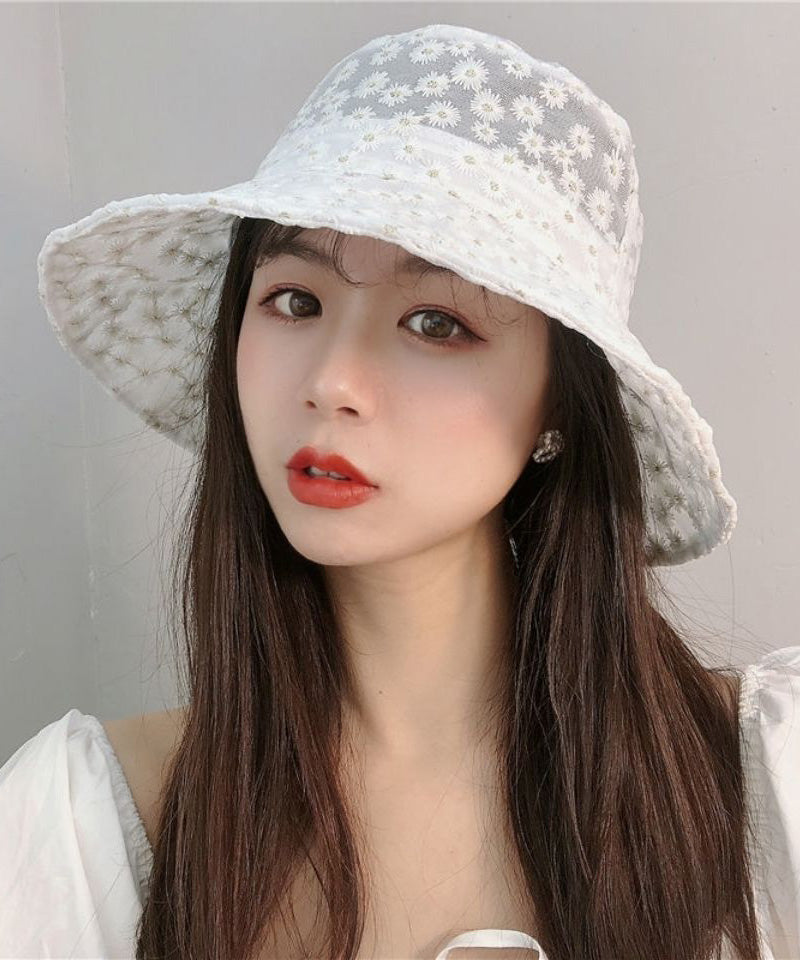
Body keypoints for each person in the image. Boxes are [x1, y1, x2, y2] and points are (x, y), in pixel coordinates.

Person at [2, 21, 798, 960]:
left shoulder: (767, 781)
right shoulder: (86, 829)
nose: (332, 380)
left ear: (561, 406)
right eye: (295, 300)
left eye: (436, 322)